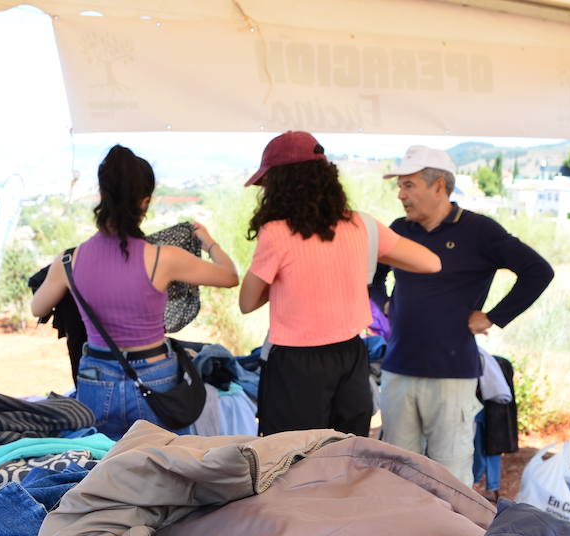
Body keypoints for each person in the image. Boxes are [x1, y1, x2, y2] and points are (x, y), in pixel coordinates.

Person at [238, 131, 440, 437]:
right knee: (346, 456)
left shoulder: (277, 232)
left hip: (295, 363)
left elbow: (247, 302)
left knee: (290, 462)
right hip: (350, 355)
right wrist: (356, 260)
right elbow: (430, 262)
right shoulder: (361, 224)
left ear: (280, 185)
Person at [374, 145, 554, 486]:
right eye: (400, 186)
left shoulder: (479, 231)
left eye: (408, 185)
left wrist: (493, 317)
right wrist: (383, 303)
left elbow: (537, 271)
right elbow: (373, 274)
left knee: (450, 474)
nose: (401, 195)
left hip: (452, 375)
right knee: (397, 471)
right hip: (398, 370)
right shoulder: (400, 229)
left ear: (439, 186)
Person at [30, 145, 238, 439]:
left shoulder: (69, 261)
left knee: (102, 470)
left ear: (101, 195)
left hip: (96, 378)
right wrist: (208, 241)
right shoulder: (163, 258)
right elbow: (230, 276)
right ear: (145, 202)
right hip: (156, 378)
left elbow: (37, 308)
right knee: (164, 468)